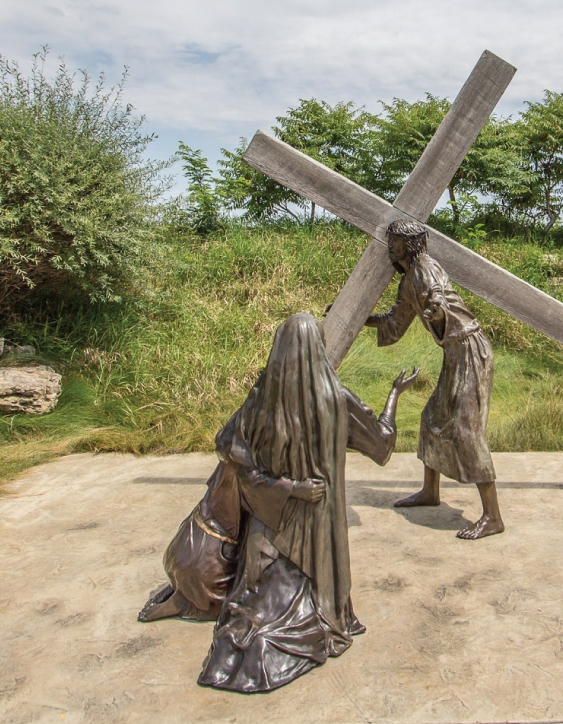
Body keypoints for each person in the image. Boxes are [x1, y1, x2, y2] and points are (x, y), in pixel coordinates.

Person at [138, 312, 418, 693]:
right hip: (320, 534)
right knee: (285, 615)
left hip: (267, 534)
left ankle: (234, 623)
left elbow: (225, 444)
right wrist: (394, 395)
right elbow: (382, 445)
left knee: (254, 606)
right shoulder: (336, 398)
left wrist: (273, 481)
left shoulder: (261, 396)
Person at [364, 219, 504, 539]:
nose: (391, 244)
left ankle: (492, 516)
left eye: (396, 239)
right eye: (390, 238)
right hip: (455, 353)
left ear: (411, 243)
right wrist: (362, 319)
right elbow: (394, 322)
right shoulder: (409, 280)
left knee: (466, 431)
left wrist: (436, 311)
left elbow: (438, 293)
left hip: (470, 349)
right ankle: (430, 492)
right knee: (431, 419)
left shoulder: (426, 268)